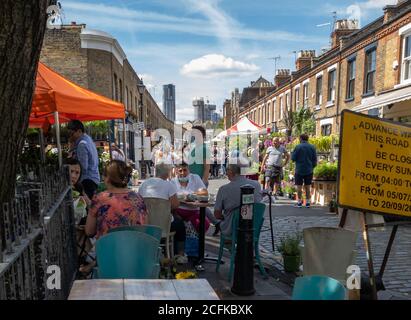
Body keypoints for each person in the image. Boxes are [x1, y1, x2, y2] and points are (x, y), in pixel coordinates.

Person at [85, 160, 148, 239]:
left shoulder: (99, 199)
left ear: (107, 178)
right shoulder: (138, 198)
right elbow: (145, 227)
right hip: (136, 249)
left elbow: (89, 231)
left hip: (109, 249)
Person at [139, 163, 187, 264]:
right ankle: (180, 255)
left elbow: (139, 203)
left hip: (147, 224)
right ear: (167, 174)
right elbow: (175, 205)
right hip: (163, 225)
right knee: (180, 225)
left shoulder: (144, 184)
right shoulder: (168, 185)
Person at [213, 163, 262, 237]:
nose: (226, 172)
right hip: (253, 226)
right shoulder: (256, 185)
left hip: (232, 229)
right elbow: (258, 205)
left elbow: (217, 214)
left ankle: (230, 246)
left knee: (225, 223)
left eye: (227, 170)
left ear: (232, 172)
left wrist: (225, 216)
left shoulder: (224, 189)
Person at [171, 163, 221, 235]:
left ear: (189, 170)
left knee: (203, 224)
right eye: (180, 170)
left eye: (185, 170)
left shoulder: (195, 178)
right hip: (178, 211)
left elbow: (204, 192)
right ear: (176, 171)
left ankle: (198, 241)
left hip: (193, 210)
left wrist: (193, 195)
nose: (183, 173)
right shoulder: (173, 182)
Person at [67, 120, 100, 200]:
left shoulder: (82, 145)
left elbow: (82, 167)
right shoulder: (88, 139)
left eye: (71, 134)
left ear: (79, 131)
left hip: (87, 181)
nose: (70, 137)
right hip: (93, 179)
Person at [291, 133, 317, 208]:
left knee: (299, 187)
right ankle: (308, 202)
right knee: (308, 187)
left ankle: (299, 202)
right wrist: (312, 167)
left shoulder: (298, 147)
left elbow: (293, 158)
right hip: (309, 169)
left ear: (301, 139)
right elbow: (315, 159)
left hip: (299, 169)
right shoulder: (312, 147)